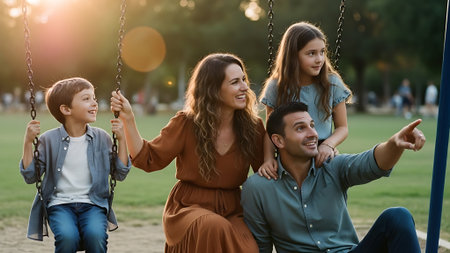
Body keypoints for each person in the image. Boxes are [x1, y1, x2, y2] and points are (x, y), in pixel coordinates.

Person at [110, 53, 266, 252]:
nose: (245, 87)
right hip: (188, 206)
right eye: (235, 82)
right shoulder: (187, 123)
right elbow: (149, 159)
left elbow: (266, 171)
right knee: (213, 226)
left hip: (233, 209)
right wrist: (129, 119)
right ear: (214, 89)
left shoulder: (253, 127)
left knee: (248, 248)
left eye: (244, 79)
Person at [241, 102, 425, 253]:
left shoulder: (333, 166)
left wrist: (395, 144)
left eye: (312, 126)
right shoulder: (257, 188)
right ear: (278, 140)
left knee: (397, 216)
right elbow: (261, 248)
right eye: (300, 128)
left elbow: (372, 163)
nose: (313, 133)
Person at [20, 77, 131, 252]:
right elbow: (30, 176)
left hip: (93, 204)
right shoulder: (48, 140)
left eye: (93, 98)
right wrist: (27, 143)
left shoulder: (102, 138)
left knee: (96, 236)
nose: (94, 103)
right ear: (66, 109)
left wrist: (122, 139)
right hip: (59, 204)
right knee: (67, 237)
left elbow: (120, 173)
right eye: (86, 99)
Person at [259, 21, 352, 180]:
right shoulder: (277, 86)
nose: (319, 59)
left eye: (322, 52)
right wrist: (268, 159)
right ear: (293, 56)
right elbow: (271, 131)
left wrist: (328, 145)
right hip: (289, 157)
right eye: (311, 53)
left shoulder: (332, 83)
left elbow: (342, 128)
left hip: (322, 156)